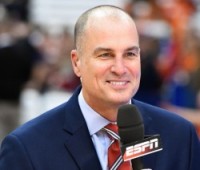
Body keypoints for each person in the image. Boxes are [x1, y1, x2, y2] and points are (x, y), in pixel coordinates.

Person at [0, 5, 200, 170]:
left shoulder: (180, 136)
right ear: (77, 62)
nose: (120, 69)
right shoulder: (27, 148)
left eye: (130, 54)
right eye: (105, 55)